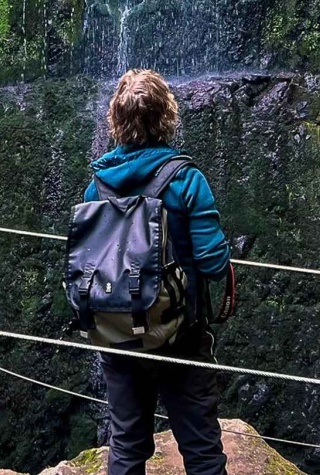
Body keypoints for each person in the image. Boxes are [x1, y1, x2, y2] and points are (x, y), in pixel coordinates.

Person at [87, 69, 233, 475]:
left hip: (119, 334)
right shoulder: (187, 180)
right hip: (178, 335)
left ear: (115, 120)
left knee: (127, 447)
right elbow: (213, 265)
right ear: (168, 117)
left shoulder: (96, 187)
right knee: (201, 449)